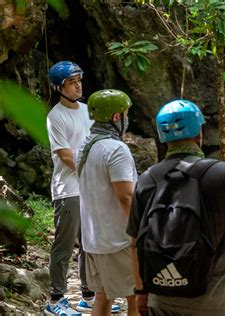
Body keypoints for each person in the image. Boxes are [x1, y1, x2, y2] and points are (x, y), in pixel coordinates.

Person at [127, 99, 225, 315]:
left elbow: (135, 244)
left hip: (161, 299)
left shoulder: (147, 179)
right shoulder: (223, 175)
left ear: (162, 137)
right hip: (215, 304)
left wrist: (141, 290)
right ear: (199, 132)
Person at [75, 89, 139, 315]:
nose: (128, 118)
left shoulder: (85, 145)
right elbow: (125, 196)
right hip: (118, 240)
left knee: (102, 298)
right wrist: (139, 230)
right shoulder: (116, 149)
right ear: (116, 117)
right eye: (126, 113)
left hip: (94, 239)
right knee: (136, 298)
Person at [45, 61, 95, 315]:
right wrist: (94, 171)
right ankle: (55, 299)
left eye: (79, 81)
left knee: (89, 244)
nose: (78, 86)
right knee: (64, 246)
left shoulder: (88, 110)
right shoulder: (56, 116)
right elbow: (65, 155)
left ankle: (88, 294)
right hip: (68, 189)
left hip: (88, 188)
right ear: (59, 87)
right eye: (72, 82)